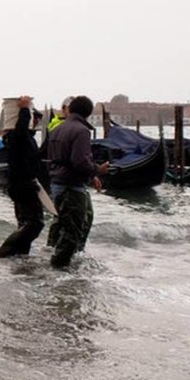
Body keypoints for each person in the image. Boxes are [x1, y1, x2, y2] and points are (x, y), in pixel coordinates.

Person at [44, 95, 109, 268]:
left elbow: (51, 157)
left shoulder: (58, 129)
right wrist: (97, 170)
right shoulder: (81, 131)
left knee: (63, 225)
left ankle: (55, 259)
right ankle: (59, 269)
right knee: (73, 231)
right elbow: (80, 161)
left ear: (70, 109)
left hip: (57, 183)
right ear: (88, 113)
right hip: (71, 186)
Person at [0, 96, 48, 258]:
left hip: (22, 185)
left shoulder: (24, 138)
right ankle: (2, 253)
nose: (36, 120)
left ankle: (19, 257)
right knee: (35, 223)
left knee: (24, 224)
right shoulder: (17, 136)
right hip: (23, 186)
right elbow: (21, 130)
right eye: (34, 116)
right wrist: (24, 109)